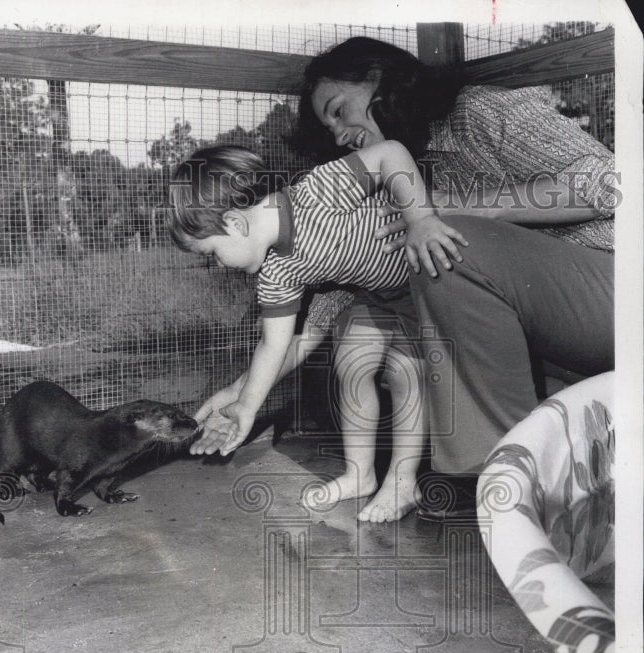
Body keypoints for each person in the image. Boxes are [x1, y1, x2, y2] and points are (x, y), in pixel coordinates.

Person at [196, 36, 615, 521]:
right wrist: (243, 392)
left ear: (379, 79)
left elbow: (616, 183)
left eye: (338, 110)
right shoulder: (375, 186)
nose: (337, 134)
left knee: (442, 243)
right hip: (548, 340)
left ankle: (526, 477)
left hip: (610, 292)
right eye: (327, 126)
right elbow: (312, 321)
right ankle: (502, 474)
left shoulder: (478, 113)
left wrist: (450, 209)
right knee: (360, 327)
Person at [170, 142, 468, 520]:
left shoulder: (317, 192)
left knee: (406, 372)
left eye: (212, 253)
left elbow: (390, 152)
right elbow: (275, 345)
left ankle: (402, 480)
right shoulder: (276, 271)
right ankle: (359, 474)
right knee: (351, 363)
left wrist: (421, 218)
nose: (219, 265)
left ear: (234, 222)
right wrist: (243, 402)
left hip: (421, 281)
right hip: (375, 295)